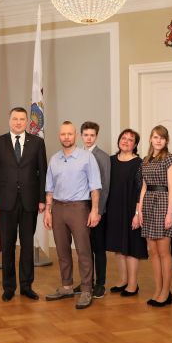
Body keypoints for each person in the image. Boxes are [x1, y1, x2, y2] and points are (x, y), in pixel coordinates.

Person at [0, 107, 46, 302]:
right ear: (9, 120)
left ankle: (27, 286)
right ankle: (9, 287)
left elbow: (43, 172)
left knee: (27, 245)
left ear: (27, 121)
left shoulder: (37, 142)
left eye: (22, 119)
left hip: (30, 202)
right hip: (5, 202)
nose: (18, 122)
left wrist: (42, 199)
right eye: (15, 119)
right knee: (8, 245)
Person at [44, 121, 102, 310]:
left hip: (79, 208)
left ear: (75, 135)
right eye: (63, 134)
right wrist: (48, 211)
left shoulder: (87, 157)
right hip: (58, 208)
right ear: (59, 136)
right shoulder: (54, 159)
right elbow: (49, 189)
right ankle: (67, 286)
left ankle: (86, 289)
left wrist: (94, 210)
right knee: (62, 250)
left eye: (70, 134)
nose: (66, 137)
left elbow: (95, 187)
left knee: (83, 250)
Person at [134, 125, 172, 307]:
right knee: (152, 252)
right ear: (150, 139)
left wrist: (169, 213)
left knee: (163, 252)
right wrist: (139, 211)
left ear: (166, 141)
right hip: (148, 204)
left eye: (162, 138)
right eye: (155, 137)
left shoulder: (169, 159)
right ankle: (158, 289)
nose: (158, 140)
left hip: (163, 203)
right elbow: (144, 187)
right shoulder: (145, 160)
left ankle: (166, 291)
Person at [104, 129, 146, 296]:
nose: (126, 141)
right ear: (119, 140)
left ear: (135, 145)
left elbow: (141, 190)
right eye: (124, 138)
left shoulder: (139, 163)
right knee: (118, 247)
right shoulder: (110, 161)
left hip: (131, 209)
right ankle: (123, 280)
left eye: (130, 140)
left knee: (132, 247)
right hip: (114, 209)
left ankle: (133, 284)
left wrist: (137, 213)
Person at [77, 121, 111, 298]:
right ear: (81, 136)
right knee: (85, 247)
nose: (89, 138)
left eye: (92, 135)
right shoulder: (77, 154)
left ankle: (100, 284)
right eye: (86, 135)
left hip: (97, 208)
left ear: (96, 136)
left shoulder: (102, 157)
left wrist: (98, 211)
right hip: (80, 208)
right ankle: (87, 282)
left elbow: (104, 186)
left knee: (98, 247)